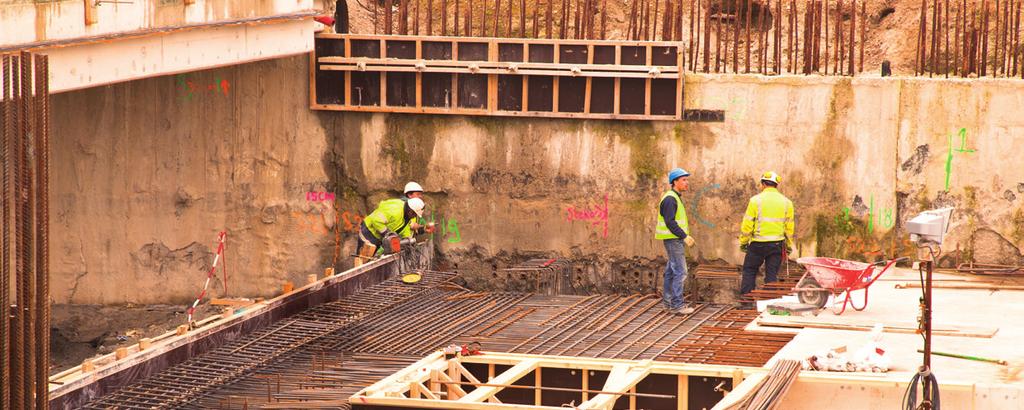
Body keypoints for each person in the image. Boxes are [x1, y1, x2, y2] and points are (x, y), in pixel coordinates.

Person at [738, 171, 795, 295]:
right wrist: (789, 247)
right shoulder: (787, 203)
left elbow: (747, 225)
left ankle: (746, 303)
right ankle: (769, 302)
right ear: (776, 185)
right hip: (776, 244)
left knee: (749, 271)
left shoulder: (755, 201)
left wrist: (743, 242)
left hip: (757, 244)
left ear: (763, 184)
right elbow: (789, 229)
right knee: (771, 275)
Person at [655, 168, 697, 315]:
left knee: (671, 272)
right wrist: (684, 236)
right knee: (681, 272)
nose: (687, 182)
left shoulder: (674, 197)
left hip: (674, 239)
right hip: (674, 240)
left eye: (687, 179)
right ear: (675, 182)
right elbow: (670, 222)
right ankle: (677, 306)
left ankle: (668, 304)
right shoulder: (670, 199)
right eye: (684, 180)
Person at [355, 197, 426, 266]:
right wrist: (387, 233)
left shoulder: (405, 216)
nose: (414, 217)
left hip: (378, 237)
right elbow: (376, 220)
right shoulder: (395, 210)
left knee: (371, 262)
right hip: (368, 232)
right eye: (414, 214)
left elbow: (404, 229)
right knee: (363, 261)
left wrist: (408, 242)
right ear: (410, 210)